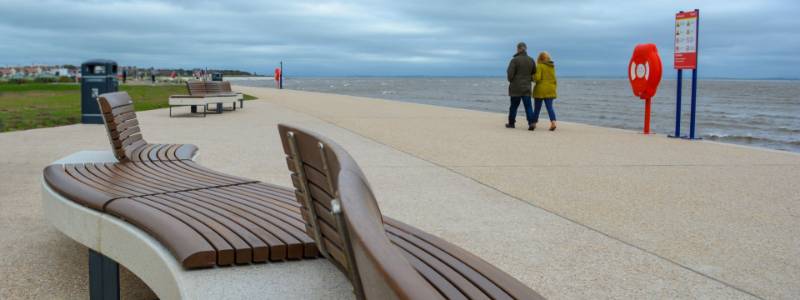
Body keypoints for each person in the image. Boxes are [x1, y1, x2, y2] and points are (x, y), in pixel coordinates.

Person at [506, 42, 537, 130]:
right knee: (528, 106)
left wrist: (511, 80)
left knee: (514, 106)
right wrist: (529, 79)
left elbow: (510, 74)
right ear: (525, 49)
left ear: (518, 49)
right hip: (526, 87)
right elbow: (534, 73)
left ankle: (511, 123)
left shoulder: (514, 60)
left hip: (515, 87)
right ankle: (531, 123)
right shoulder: (531, 60)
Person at [531, 51, 558, 131]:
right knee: (550, 107)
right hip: (550, 89)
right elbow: (554, 79)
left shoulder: (540, 66)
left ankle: (534, 123)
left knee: (537, 108)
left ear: (539, 58)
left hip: (540, 89)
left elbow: (537, 78)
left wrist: (532, 77)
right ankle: (553, 122)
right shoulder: (551, 67)